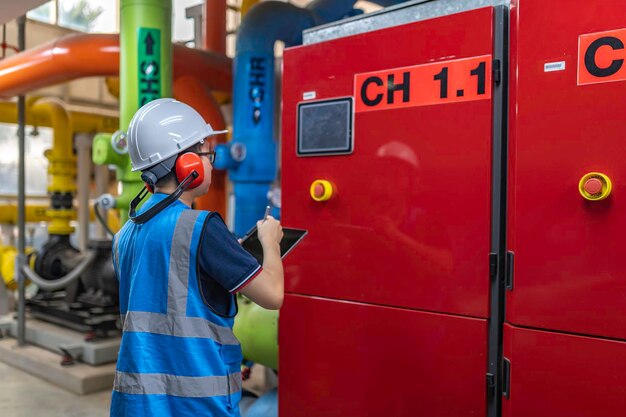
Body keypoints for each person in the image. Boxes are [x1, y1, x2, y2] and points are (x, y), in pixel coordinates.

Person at [109, 98, 284, 417]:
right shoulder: (201, 227)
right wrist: (270, 242)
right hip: (194, 403)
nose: (211, 163)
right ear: (187, 164)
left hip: (135, 402)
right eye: (206, 153)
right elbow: (272, 295)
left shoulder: (123, 237)